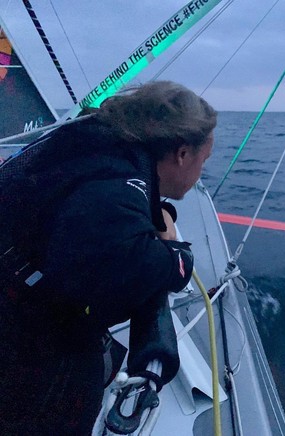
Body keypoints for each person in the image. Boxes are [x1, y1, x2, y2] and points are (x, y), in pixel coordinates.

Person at [0, 81, 217, 434]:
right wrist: (176, 250)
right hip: (23, 336)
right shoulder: (116, 186)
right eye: (203, 161)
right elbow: (157, 270)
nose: (200, 175)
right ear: (181, 154)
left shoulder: (99, 146)